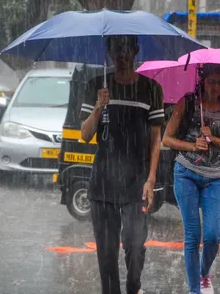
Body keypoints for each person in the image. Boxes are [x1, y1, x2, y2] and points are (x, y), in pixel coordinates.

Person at [80, 35, 164, 294]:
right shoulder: (96, 85)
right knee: (106, 257)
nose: (123, 54)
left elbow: (155, 138)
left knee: (135, 244)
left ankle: (133, 286)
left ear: (136, 51)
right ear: (109, 52)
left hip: (136, 183)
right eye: (117, 49)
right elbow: (85, 134)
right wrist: (98, 106)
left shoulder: (151, 88)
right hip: (103, 183)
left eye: (128, 49)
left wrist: (151, 179)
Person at [162, 64, 220, 294]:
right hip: (186, 173)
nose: (216, 87)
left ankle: (204, 273)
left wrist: (214, 139)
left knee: (213, 236)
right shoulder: (187, 102)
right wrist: (192, 145)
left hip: (215, 178)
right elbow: (167, 139)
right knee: (193, 237)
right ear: (202, 80)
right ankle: (195, 290)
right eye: (211, 81)